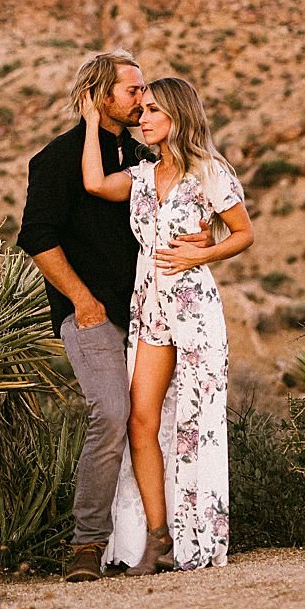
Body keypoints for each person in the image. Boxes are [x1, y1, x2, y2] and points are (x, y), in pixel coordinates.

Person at [17, 51, 213, 583]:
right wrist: (81, 301)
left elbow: (187, 200)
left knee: (162, 420)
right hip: (92, 314)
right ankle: (87, 544)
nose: (142, 100)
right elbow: (36, 238)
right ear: (102, 97)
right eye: (132, 91)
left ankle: (171, 536)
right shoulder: (55, 160)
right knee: (108, 412)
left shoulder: (146, 150)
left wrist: (203, 238)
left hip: (152, 312)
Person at [80, 76, 253, 575]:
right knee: (142, 419)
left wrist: (206, 250)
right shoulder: (139, 174)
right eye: (143, 109)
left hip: (195, 306)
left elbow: (244, 233)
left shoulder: (210, 172)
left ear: (177, 115)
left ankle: (199, 535)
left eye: (154, 109)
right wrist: (92, 121)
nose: (144, 117)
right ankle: (158, 537)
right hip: (150, 306)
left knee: (195, 421)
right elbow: (93, 182)